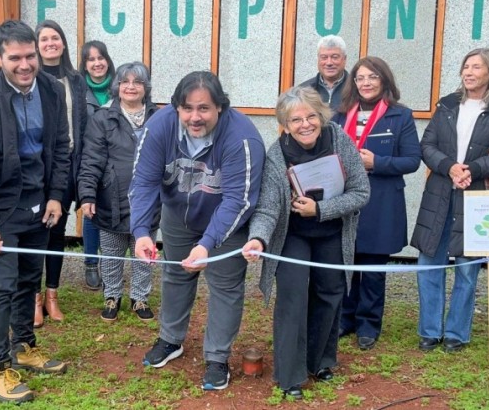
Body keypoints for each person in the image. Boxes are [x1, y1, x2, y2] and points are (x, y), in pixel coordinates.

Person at [131, 71, 265, 391]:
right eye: (187, 108)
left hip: (226, 222)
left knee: (225, 286)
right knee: (176, 274)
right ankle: (170, 339)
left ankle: (217, 357)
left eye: (204, 108)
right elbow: (143, 182)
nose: (195, 117)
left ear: (220, 107)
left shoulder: (243, 138)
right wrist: (142, 231)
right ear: (176, 107)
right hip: (178, 215)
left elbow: (239, 200)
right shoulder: (158, 128)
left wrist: (207, 244)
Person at [0, 20, 70, 403]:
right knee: (2, 286)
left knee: (29, 280)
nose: (25, 65)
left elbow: (61, 146)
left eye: (30, 56)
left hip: (40, 204)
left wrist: (56, 196)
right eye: (15, 58)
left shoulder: (52, 90)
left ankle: (23, 346)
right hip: (2, 208)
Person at [242, 87, 369, 399]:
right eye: (295, 120)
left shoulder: (339, 140)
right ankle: (290, 375)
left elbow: (361, 192)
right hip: (293, 235)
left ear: (321, 116)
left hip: (331, 232)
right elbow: (268, 208)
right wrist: (258, 237)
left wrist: (321, 209)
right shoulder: (277, 155)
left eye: (311, 116)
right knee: (293, 297)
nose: (305, 124)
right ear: (285, 124)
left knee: (330, 293)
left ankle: (320, 361)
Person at [411, 48, 489, 353]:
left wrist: (473, 169)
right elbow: (427, 145)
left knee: (467, 268)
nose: (469, 72)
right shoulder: (446, 105)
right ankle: (429, 331)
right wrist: (449, 167)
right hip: (440, 193)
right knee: (428, 262)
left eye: (476, 67)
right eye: (466, 66)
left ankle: (457, 333)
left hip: (476, 195)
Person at [333, 56, 421, 351]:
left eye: (372, 77)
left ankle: (368, 324)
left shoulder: (400, 115)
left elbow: (412, 160)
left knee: (372, 268)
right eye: (360, 78)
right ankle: (345, 319)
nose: (366, 83)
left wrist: (378, 162)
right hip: (345, 199)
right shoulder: (340, 115)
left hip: (380, 201)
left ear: (384, 80)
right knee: (345, 263)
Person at [78, 62, 157, 322]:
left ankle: (140, 297)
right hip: (111, 197)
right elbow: (91, 159)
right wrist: (87, 194)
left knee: (144, 253)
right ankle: (112, 296)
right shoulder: (102, 118)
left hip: (148, 200)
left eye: (137, 82)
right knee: (111, 253)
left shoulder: (158, 118)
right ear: (118, 86)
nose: (131, 87)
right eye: (125, 81)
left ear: (145, 87)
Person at [32, 20, 88, 324]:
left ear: (63, 43)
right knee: (33, 232)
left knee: (56, 232)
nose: (50, 43)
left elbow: (82, 124)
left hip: (66, 165)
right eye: (44, 39)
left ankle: (52, 295)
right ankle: (34, 299)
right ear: (36, 46)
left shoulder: (75, 80)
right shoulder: (31, 78)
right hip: (36, 167)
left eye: (55, 37)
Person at [78, 40, 116, 291]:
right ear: (84, 64)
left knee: (112, 210)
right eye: (91, 59)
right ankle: (91, 263)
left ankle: (113, 264)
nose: (97, 63)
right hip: (90, 158)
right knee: (90, 211)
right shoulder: (79, 90)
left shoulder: (120, 86)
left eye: (100, 57)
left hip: (116, 160)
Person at [298, 35, 349, 110]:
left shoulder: (356, 88)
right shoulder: (303, 90)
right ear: (318, 59)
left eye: (335, 57)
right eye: (324, 57)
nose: (329, 63)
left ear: (344, 59)